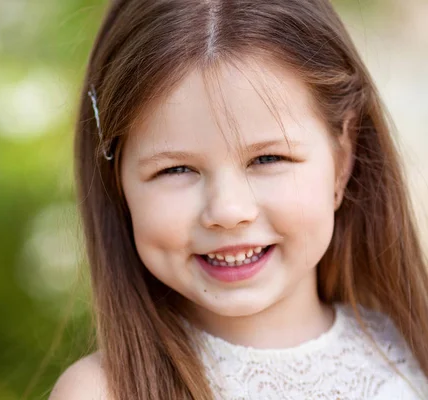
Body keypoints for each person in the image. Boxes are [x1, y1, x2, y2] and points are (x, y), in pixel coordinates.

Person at [50, 0, 428, 398]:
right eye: (175, 169)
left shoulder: (410, 357)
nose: (228, 211)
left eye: (268, 158)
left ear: (342, 158)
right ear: (119, 180)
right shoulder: (104, 392)